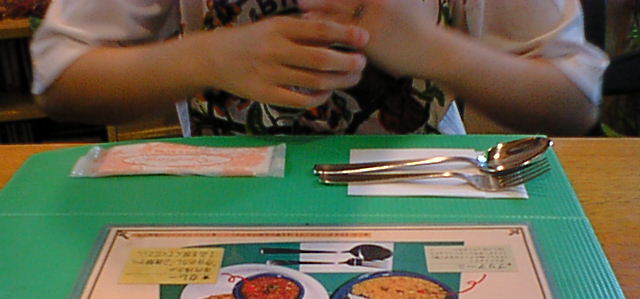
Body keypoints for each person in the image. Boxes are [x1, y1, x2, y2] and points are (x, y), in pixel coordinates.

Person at [30, 0, 609, 136]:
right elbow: (60, 79)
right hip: (220, 211)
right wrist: (205, 57)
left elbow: (572, 99)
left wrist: (433, 50)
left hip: (423, 201)